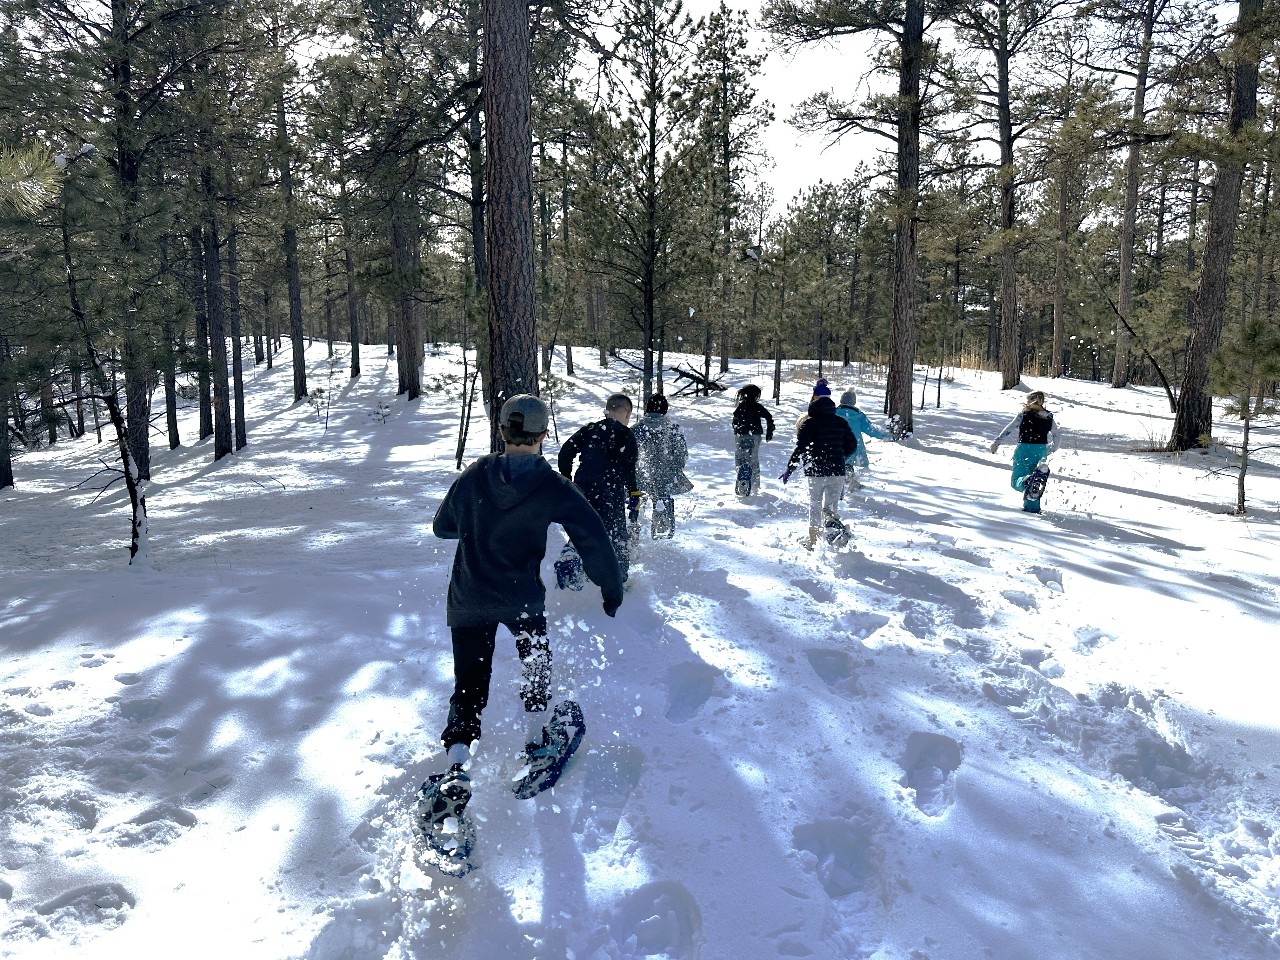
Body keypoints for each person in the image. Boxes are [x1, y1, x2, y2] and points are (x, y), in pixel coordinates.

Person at [424, 394, 624, 831]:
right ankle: (536, 742)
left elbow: (442, 526)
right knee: (536, 665)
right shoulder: (552, 486)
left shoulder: (475, 475)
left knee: (470, 684)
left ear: (501, 431)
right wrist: (610, 587)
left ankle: (456, 767)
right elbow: (592, 536)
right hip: (521, 599)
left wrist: (479, 521)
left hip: (469, 598)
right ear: (543, 435)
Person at [558, 392, 639, 581]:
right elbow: (629, 469)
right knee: (616, 534)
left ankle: (572, 571)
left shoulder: (590, 430)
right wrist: (634, 493)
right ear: (627, 413)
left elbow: (565, 452)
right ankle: (619, 580)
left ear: (607, 410)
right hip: (610, 491)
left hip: (583, 488)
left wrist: (567, 479)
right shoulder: (625, 435)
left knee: (583, 528)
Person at [781, 394, 856, 548]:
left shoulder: (808, 424)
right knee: (831, 506)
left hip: (816, 472)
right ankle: (833, 529)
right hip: (837, 471)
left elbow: (801, 448)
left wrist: (790, 468)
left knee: (815, 505)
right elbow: (852, 445)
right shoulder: (841, 422)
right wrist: (841, 457)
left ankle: (814, 541)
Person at [631, 393, 693, 539]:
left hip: (640, 475)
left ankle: (633, 524)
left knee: (636, 500)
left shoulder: (637, 429)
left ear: (647, 409)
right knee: (663, 497)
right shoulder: (672, 428)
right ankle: (663, 526)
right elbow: (681, 453)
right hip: (666, 474)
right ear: (665, 410)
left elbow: (628, 453)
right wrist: (676, 468)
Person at [989, 390, 1060, 512]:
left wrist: (997, 441)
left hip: (1024, 448)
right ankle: (1032, 508)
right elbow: (1057, 437)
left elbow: (1009, 428)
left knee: (1017, 480)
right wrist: (1050, 449)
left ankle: (1026, 482)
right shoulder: (1048, 417)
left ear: (1029, 401)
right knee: (1037, 480)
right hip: (1041, 450)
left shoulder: (1024, 414)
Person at [834, 389, 891, 491]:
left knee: (838, 465)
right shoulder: (859, 415)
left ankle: (845, 485)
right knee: (848, 465)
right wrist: (886, 436)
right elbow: (871, 430)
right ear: (854, 402)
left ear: (841, 400)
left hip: (835, 444)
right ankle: (849, 485)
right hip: (853, 446)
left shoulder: (833, 412)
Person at [732, 384, 774, 497]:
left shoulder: (740, 407)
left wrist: (737, 430)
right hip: (755, 435)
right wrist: (770, 431)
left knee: (740, 458)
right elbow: (769, 417)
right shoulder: (757, 407)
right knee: (753, 458)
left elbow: (735, 421)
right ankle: (755, 483)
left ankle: (741, 478)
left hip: (740, 435)